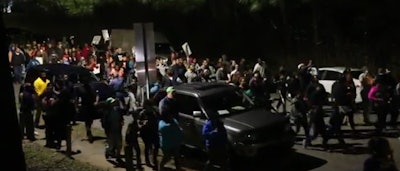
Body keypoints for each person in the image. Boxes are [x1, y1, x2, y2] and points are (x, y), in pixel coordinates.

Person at [102, 97, 124, 163]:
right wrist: (107, 132)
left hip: (118, 130)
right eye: (113, 102)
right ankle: (108, 153)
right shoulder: (107, 113)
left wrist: (121, 122)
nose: (115, 103)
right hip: (110, 131)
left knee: (119, 144)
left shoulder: (117, 110)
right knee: (111, 145)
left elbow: (121, 119)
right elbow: (104, 123)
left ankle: (118, 156)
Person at [139, 100, 160, 169]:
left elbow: (159, 119)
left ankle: (154, 159)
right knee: (148, 146)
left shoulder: (155, 112)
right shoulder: (143, 113)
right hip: (146, 132)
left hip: (154, 131)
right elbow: (139, 122)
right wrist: (143, 123)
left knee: (156, 146)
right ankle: (147, 160)